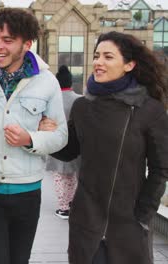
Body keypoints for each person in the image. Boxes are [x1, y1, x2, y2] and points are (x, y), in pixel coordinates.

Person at [44, 31, 168, 264]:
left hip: (128, 227)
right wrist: (46, 136)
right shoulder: (83, 106)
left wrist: (142, 215)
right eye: (97, 55)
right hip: (85, 222)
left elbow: (161, 168)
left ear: (129, 65)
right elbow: (69, 152)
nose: (98, 62)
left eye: (108, 57)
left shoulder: (149, 110)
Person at [0, 8, 68, 264]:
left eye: (7, 40)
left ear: (27, 43)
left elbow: (60, 136)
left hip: (28, 191)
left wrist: (31, 139)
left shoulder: (47, 82)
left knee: (19, 260)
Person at [45, 65, 81, 220]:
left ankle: (63, 208)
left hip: (57, 145)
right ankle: (73, 203)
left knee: (59, 177)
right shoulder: (79, 100)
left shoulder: (51, 100)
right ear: (71, 83)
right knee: (72, 176)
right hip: (77, 144)